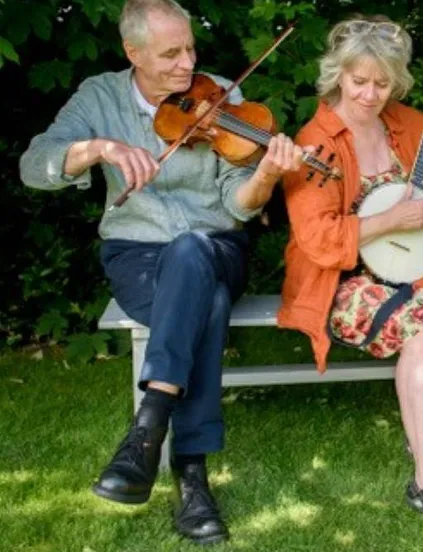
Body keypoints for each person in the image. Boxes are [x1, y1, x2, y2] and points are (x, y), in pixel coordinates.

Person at [19, 0, 305, 545]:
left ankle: (146, 429)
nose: (187, 64)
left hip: (217, 248)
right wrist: (97, 148)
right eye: (170, 53)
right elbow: (35, 165)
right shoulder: (99, 96)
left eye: (190, 48)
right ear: (133, 52)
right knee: (207, 303)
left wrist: (266, 176)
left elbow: (238, 205)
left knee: (192, 249)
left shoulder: (222, 96)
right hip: (137, 255)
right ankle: (191, 478)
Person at [277, 16, 423, 528]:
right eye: (360, 81)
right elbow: (319, 239)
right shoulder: (317, 141)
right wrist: (392, 219)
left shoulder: (397, 122)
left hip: (405, 266)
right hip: (340, 278)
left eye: (383, 83)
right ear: (338, 76)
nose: (371, 95)